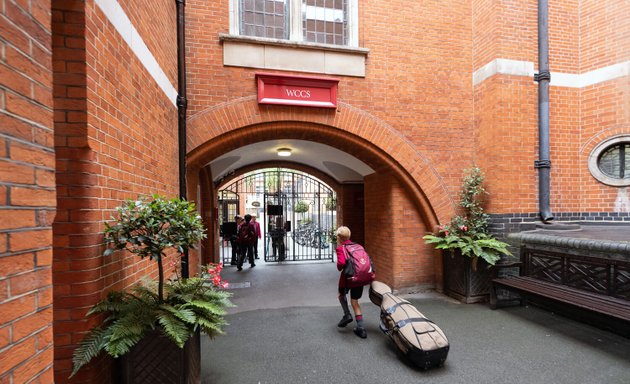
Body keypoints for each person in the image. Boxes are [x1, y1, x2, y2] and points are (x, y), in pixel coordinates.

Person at [335, 226, 368, 338]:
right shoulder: (359, 246)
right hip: (359, 278)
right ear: (349, 236)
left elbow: (341, 266)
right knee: (355, 302)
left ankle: (347, 315)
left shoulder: (341, 249)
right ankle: (361, 329)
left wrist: (339, 264)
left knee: (341, 295)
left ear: (339, 238)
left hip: (347, 278)